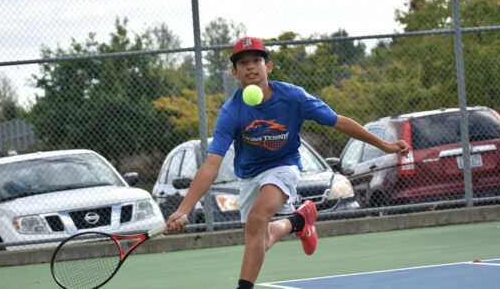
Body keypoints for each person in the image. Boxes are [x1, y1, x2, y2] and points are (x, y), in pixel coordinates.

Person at [167, 37, 410, 289]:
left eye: (256, 60)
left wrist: (384, 145)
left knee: (258, 219)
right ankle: (298, 221)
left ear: (268, 66)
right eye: (243, 62)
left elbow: (338, 121)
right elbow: (211, 165)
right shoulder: (232, 111)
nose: (251, 66)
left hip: (283, 166)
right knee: (257, 239)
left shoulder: (293, 97)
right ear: (234, 72)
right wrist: (184, 209)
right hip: (249, 174)